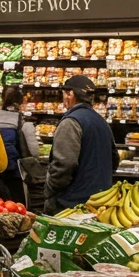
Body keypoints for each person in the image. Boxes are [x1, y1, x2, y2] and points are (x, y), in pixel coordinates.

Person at [44, 75, 118, 214]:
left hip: (73, 202)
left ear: (70, 94)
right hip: (101, 200)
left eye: (64, 94)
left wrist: (52, 189)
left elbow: (64, 164)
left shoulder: (70, 122)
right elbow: (114, 159)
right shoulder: (101, 122)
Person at [0, 84, 40, 206]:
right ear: (21, 101)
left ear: (1, 98)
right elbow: (34, 152)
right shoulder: (22, 123)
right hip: (13, 173)